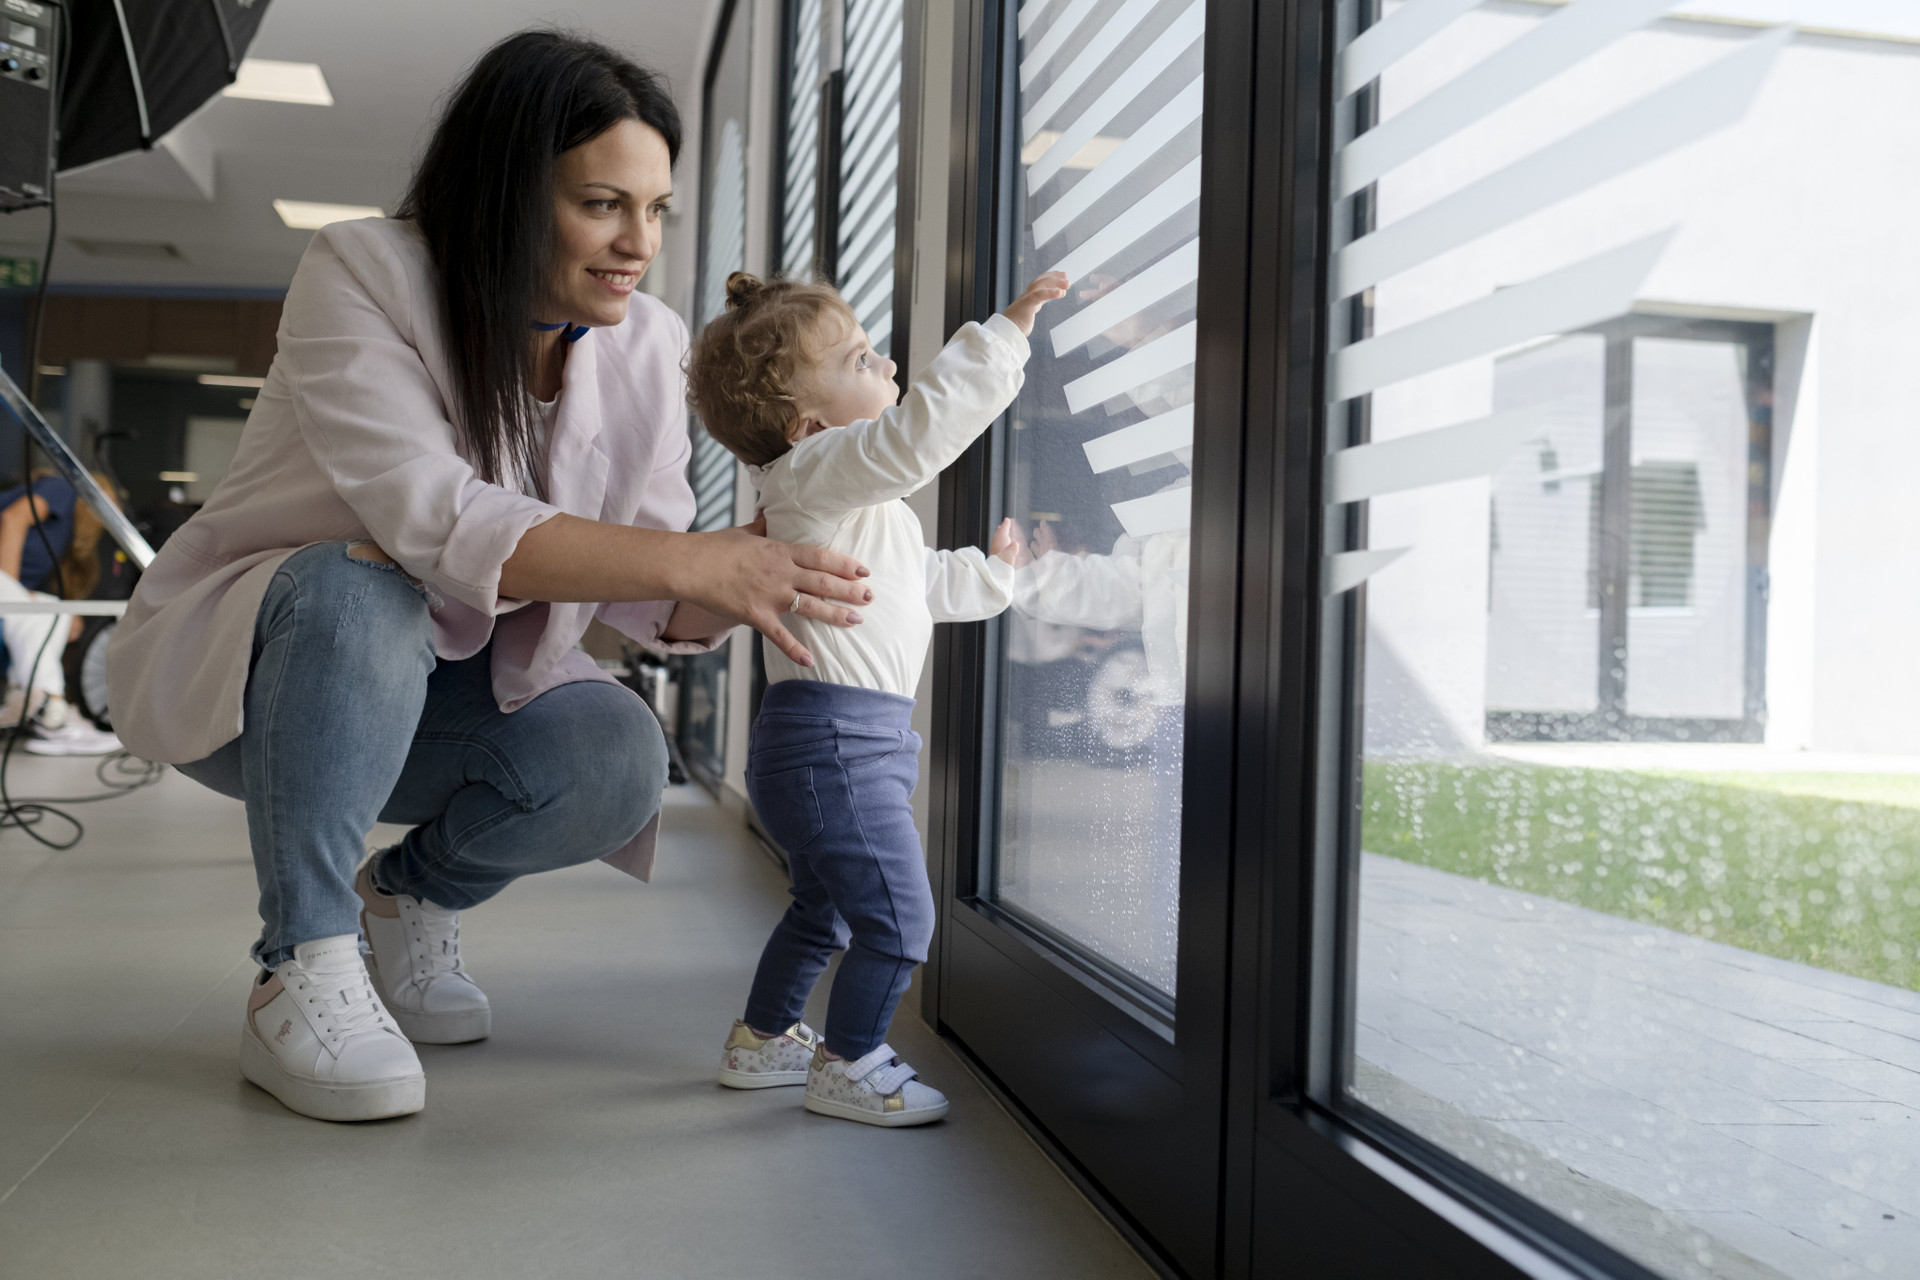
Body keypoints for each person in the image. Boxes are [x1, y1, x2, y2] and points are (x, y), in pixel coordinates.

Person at [104, 31, 874, 1125]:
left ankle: (404, 897)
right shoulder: (364, 270)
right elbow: (436, 519)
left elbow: (646, 579)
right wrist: (685, 553)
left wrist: (765, 562)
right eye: (605, 204)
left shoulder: (647, 343)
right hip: (264, 680)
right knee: (360, 578)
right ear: (510, 191)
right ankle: (300, 961)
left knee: (616, 751)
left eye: (657, 211)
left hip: (437, 698)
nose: (637, 243)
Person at [684, 267, 1067, 1126]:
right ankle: (851, 1061)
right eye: (862, 359)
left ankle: (761, 1039)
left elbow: (907, 585)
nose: (888, 363)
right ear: (808, 425)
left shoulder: (847, 508)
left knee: (822, 909)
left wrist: (992, 577)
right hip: (837, 745)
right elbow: (919, 436)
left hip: (839, 745)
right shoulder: (814, 473)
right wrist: (1004, 334)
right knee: (900, 920)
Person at [0, 469, 126, 755]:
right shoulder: (63, 489)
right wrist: (11, 594)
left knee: (56, 611)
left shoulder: (64, 533)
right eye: (112, 502)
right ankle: (51, 717)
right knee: (51, 611)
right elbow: (12, 519)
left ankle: (39, 705)